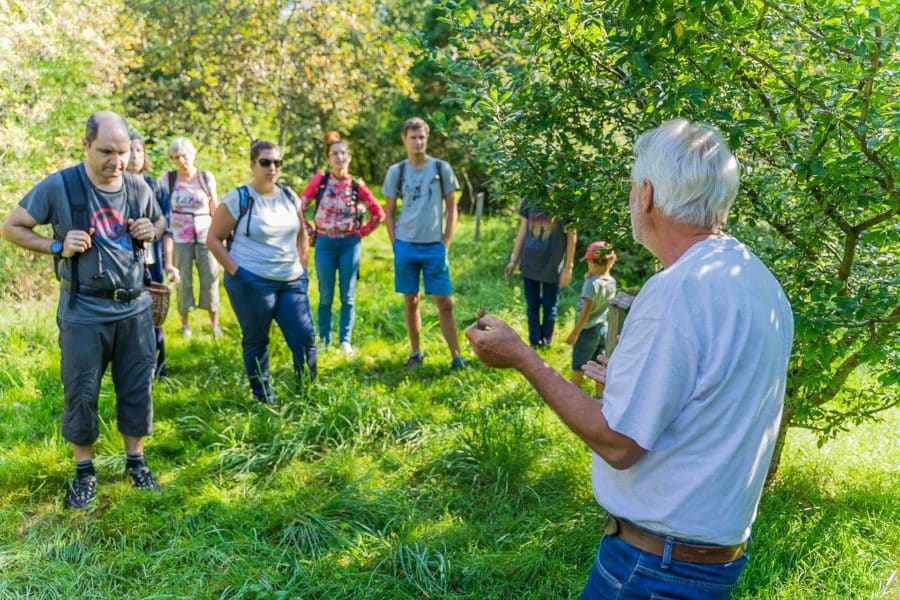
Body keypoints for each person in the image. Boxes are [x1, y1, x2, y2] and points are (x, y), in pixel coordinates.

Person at [467, 119, 794, 598]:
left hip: (651, 569)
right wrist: (623, 389)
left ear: (646, 194)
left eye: (632, 187)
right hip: (713, 561)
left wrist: (521, 356)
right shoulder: (757, 280)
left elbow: (619, 444)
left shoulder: (674, 293)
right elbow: (706, 408)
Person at [2, 111, 168, 509]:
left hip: (134, 308)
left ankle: (136, 462)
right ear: (86, 145)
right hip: (83, 311)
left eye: (124, 152)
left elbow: (160, 221)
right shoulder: (60, 186)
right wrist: (57, 246)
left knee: (137, 387)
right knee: (82, 393)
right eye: (107, 152)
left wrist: (152, 231)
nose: (117, 161)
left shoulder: (138, 184)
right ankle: (84, 473)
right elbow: (11, 226)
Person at [207, 139, 317, 404]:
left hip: (291, 281)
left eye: (277, 163)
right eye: (265, 162)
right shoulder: (239, 198)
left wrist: (301, 269)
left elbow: (302, 232)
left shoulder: (289, 196)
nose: (272, 168)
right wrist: (237, 272)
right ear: (253, 165)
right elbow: (213, 238)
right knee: (256, 340)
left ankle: (306, 395)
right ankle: (263, 399)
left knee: (305, 337)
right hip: (252, 282)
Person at [382, 117, 466, 370]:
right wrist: (396, 244)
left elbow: (452, 208)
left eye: (422, 137)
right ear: (404, 139)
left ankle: (456, 356)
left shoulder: (442, 168)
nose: (418, 142)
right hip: (406, 245)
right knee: (411, 300)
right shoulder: (397, 172)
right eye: (413, 137)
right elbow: (389, 212)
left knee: (445, 302)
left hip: (434, 246)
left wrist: (446, 243)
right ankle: (416, 352)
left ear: (427, 139)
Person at [300, 131, 385, 356]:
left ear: (349, 157)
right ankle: (325, 339)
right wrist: (309, 232)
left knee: (347, 295)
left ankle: (345, 340)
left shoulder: (357, 184)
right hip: (325, 244)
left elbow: (379, 213)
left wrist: (361, 233)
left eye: (343, 153)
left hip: (350, 245)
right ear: (328, 158)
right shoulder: (320, 181)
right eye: (334, 154)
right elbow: (299, 206)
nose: (339, 158)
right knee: (326, 294)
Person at [127, 130, 181, 377]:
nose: (135, 156)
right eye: (131, 151)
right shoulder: (111, 187)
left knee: (154, 312)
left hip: (151, 260)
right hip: (124, 262)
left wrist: (169, 263)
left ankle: (159, 366)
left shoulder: (155, 186)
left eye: (139, 150)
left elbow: (166, 227)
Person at [161, 137, 221, 338]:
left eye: (184, 156)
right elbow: (162, 208)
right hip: (179, 236)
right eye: (176, 157)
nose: (181, 161)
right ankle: (185, 325)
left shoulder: (205, 177)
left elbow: (215, 207)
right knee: (182, 280)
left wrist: (221, 235)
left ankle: (214, 324)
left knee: (210, 277)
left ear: (192, 155)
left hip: (205, 235)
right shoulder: (168, 179)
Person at [504, 199, 576, 348]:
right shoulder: (529, 198)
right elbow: (522, 231)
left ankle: (546, 341)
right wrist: (513, 260)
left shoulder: (565, 199)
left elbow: (571, 234)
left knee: (550, 307)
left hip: (552, 265)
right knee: (532, 306)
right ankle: (534, 342)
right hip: (529, 263)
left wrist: (568, 267)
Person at [566, 241, 616, 398]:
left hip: (587, 331)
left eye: (588, 263)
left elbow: (586, 311)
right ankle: (599, 397)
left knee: (579, 365)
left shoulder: (590, 284)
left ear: (593, 263)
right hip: (603, 329)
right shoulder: (611, 281)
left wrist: (575, 333)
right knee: (599, 364)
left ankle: (573, 396)